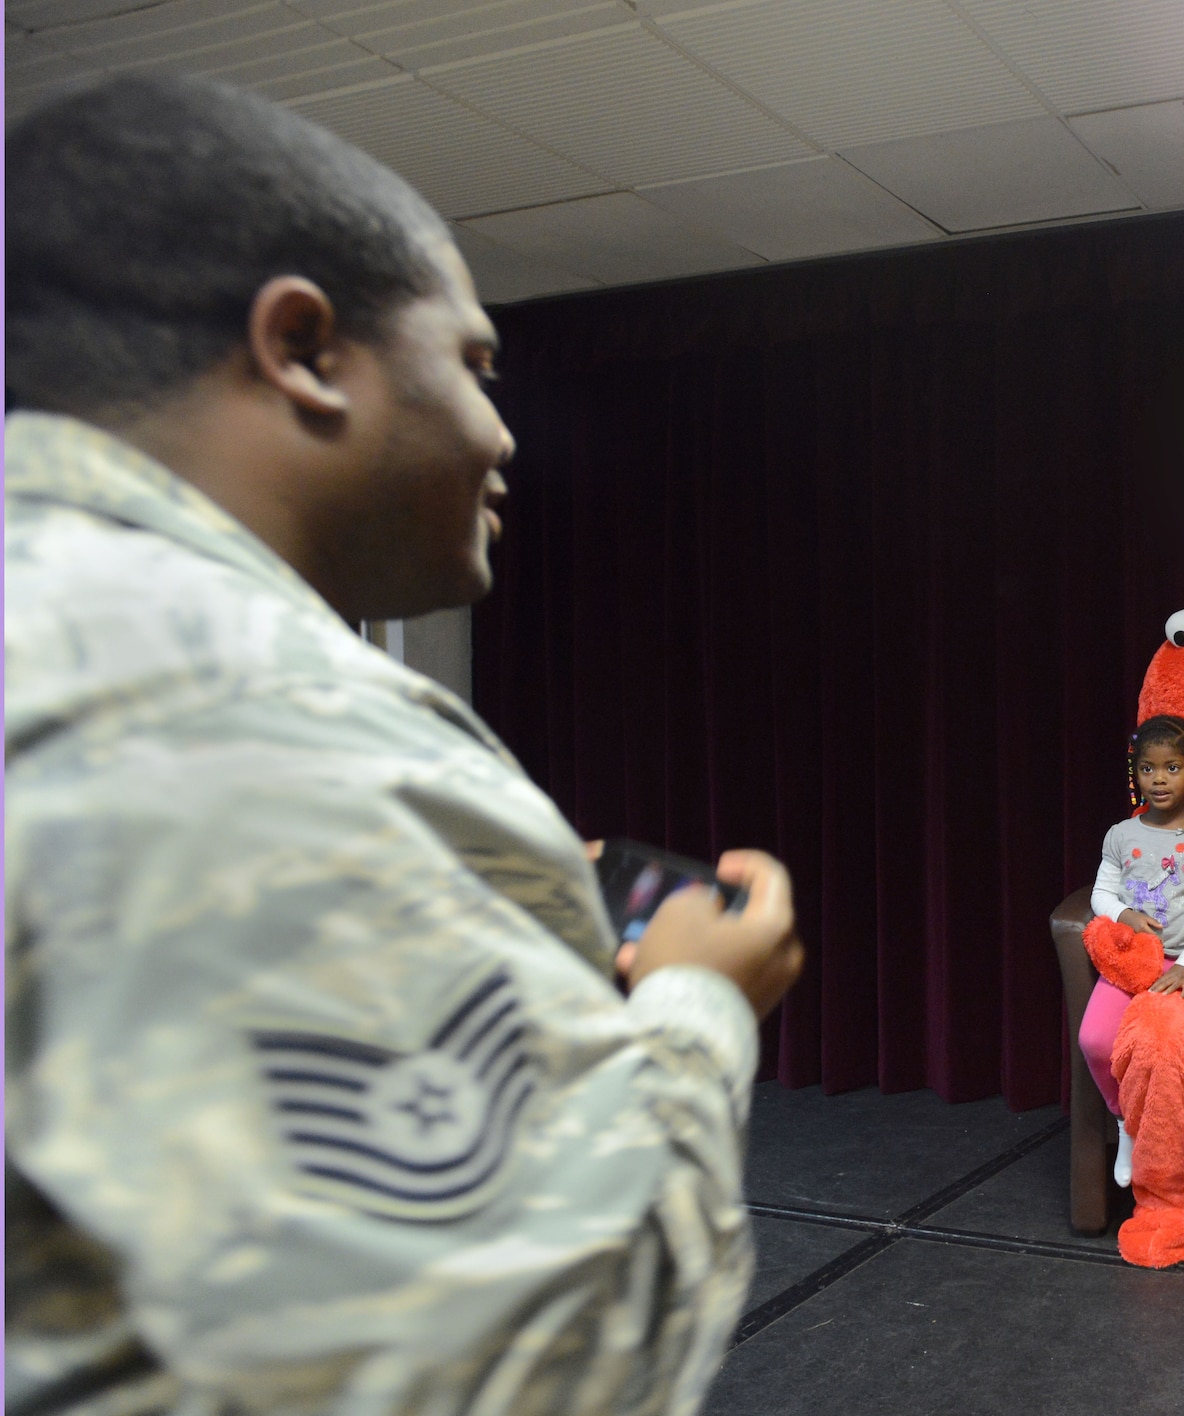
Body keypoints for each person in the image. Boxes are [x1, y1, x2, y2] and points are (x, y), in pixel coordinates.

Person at [4, 73, 803, 1416]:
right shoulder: (248, 723)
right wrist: (699, 1002)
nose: (500, 435)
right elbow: (540, 1364)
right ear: (307, 350)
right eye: (478, 365)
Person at [1077, 715, 1184, 1189]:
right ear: (1137, 775)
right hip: (1135, 958)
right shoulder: (1121, 834)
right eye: (1148, 769)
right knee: (1095, 1041)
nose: (1160, 779)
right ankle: (1130, 1123)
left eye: (1172, 767)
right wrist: (1124, 914)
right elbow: (1101, 893)